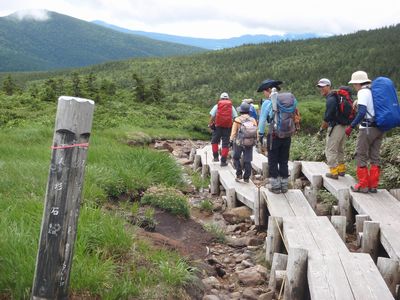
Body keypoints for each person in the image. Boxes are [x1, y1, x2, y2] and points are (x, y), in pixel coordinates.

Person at [345, 71, 384, 193]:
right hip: (379, 127)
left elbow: (362, 112)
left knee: (361, 155)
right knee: (375, 156)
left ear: (357, 83)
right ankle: (373, 186)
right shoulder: (374, 91)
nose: (353, 86)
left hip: (367, 128)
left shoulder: (362, 92)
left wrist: (351, 126)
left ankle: (363, 185)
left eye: (354, 84)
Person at [258, 79, 297, 193]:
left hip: (274, 135)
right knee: (284, 160)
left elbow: (262, 120)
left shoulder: (267, 102)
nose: (264, 94)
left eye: (264, 91)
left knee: (273, 160)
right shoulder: (288, 100)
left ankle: (275, 186)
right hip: (287, 134)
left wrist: (260, 134)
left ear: (269, 90)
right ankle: (284, 185)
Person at [316, 78, 347, 179]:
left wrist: (321, 129)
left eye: (323, 87)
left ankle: (334, 171)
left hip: (335, 126)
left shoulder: (331, 99)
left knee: (330, 149)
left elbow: (327, 117)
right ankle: (341, 169)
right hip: (343, 126)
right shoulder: (337, 97)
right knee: (339, 148)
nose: (321, 89)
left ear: (329, 86)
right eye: (320, 87)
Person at [229, 102, 258, 182]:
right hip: (250, 142)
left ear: (240, 111)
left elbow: (234, 132)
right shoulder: (253, 120)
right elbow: (256, 131)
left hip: (238, 142)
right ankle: (246, 177)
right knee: (247, 160)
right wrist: (257, 140)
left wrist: (231, 140)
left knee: (236, 157)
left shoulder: (237, 120)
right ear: (249, 111)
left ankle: (239, 174)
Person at [209, 92, 238, 166]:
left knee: (214, 141)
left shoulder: (217, 105)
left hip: (217, 126)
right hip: (227, 127)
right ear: (228, 98)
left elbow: (212, 116)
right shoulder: (231, 106)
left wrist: (210, 124)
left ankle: (215, 157)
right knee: (225, 144)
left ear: (220, 98)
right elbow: (235, 117)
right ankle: (223, 161)